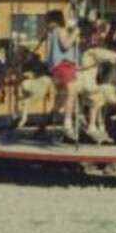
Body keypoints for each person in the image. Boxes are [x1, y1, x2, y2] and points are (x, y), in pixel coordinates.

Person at [45, 9, 81, 141]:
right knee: (72, 91)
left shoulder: (57, 32)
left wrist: (74, 39)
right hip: (63, 64)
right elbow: (65, 45)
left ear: (53, 22)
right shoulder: (60, 30)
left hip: (64, 65)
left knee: (72, 91)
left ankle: (74, 117)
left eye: (47, 22)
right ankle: (67, 123)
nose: (46, 25)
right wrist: (75, 33)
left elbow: (68, 46)